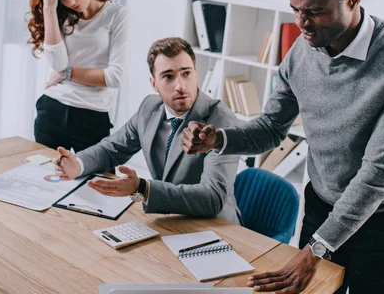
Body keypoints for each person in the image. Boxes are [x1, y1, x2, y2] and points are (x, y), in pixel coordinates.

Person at [182, 0, 384, 294]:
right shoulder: (302, 49)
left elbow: (380, 171)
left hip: (382, 220)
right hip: (321, 204)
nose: (301, 23)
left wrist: (317, 248)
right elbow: (271, 128)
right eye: (295, 10)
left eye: (315, 11)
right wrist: (219, 139)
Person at [53, 37, 242, 224]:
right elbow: (112, 149)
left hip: (218, 228)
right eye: (168, 76)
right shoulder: (149, 108)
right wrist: (78, 164)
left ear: (196, 73)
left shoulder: (221, 122)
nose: (180, 86)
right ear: (154, 84)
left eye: (186, 73)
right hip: (170, 219)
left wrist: (143, 189)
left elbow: (212, 198)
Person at [27, 0, 129, 154]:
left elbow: (115, 77)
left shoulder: (117, 16)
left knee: (96, 183)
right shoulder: (62, 16)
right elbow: (57, 63)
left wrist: (67, 73)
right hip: (52, 109)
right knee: (42, 180)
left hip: (92, 116)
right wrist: (49, 6)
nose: (71, 2)